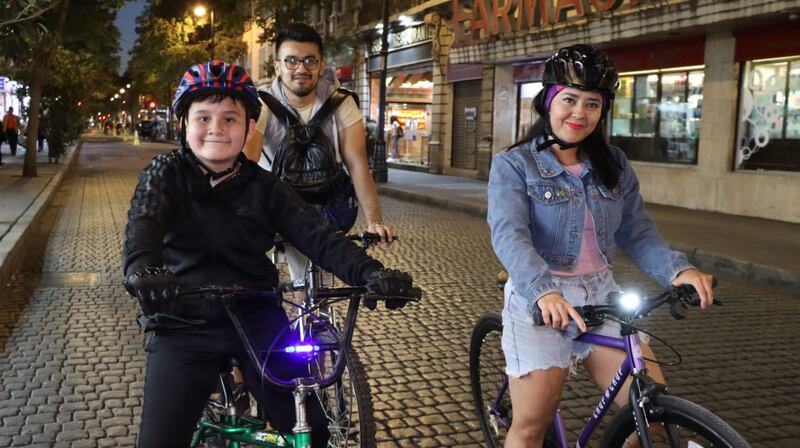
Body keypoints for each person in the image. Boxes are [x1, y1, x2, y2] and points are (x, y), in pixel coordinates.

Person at [122, 61, 416, 448]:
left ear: (248, 128)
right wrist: (143, 272)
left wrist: (370, 272)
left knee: (314, 433)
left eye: (230, 118)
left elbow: (318, 237)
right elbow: (142, 230)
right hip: (183, 323)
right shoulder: (164, 174)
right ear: (183, 125)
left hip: (257, 319)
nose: (216, 128)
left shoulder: (265, 187)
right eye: (203, 117)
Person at [486, 44, 715, 448]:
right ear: (549, 101)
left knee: (649, 411)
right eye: (569, 100)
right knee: (531, 424)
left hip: (601, 295)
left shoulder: (614, 163)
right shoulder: (515, 164)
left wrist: (679, 270)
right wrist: (545, 291)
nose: (579, 113)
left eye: (592, 104)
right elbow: (509, 234)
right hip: (541, 299)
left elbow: (637, 231)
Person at [243, 23, 393, 283]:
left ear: (321, 66)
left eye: (310, 60)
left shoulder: (341, 101)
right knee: (261, 284)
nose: (301, 69)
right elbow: (247, 162)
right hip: (275, 205)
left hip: (327, 207)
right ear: (277, 66)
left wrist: (375, 221)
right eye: (291, 61)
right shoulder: (260, 102)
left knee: (321, 288)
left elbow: (357, 164)